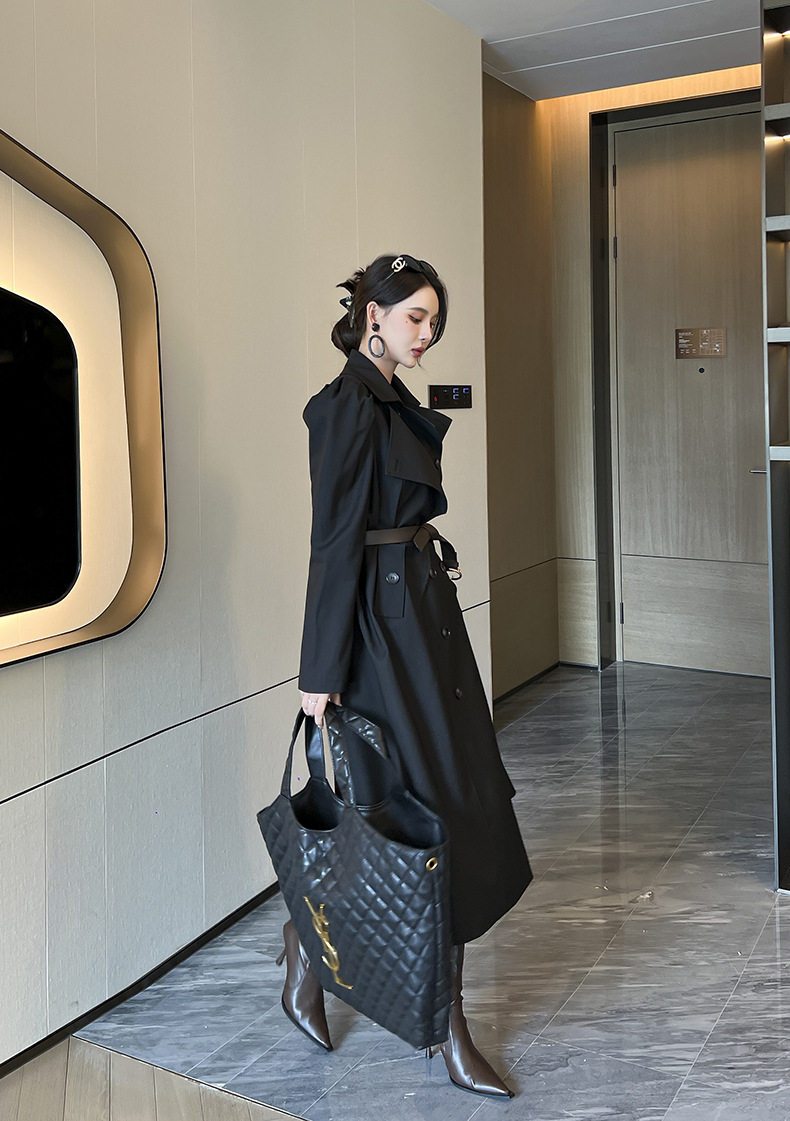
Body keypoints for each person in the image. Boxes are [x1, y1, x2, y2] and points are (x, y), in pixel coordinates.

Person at [279, 253, 532, 1099]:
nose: (427, 333)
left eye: (433, 320)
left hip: (425, 622)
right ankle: (446, 1028)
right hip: (379, 638)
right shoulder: (347, 407)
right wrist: (320, 670)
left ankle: (306, 946)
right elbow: (332, 543)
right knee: (422, 819)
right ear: (373, 315)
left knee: (447, 801)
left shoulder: (392, 400)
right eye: (416, 316)